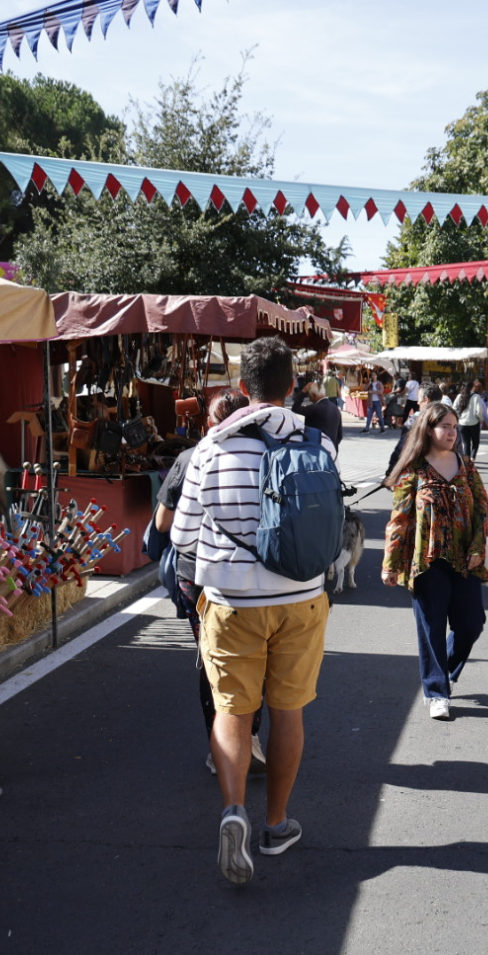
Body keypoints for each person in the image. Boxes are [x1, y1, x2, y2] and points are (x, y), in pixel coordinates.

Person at [171, 337, 335, 885]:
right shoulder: (319, 443)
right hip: (301, 598)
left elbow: (182, 536)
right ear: (292, 387)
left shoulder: (212, 449)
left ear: (243, 388)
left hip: (232, 602)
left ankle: (234, 809)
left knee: (233, 711)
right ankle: (276, 823)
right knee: (288, 711)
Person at [152, 391, 264, 778]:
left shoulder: (192, 457)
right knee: (254, 654)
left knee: (212, 659)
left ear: (211, 422)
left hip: (197, 575)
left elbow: (165, 526)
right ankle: (249, 737)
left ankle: (220, 748)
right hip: (251, 573)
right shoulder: (267, 455)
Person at [382, 402, 488, 721]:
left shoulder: (466, 465)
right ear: (429, 429)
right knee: (431, 626)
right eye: (446, 426)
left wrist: (478, 546)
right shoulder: (413, 469)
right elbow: (398, 518)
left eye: (455, 427)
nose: (452, 432)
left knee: (471, 624)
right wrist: (390, 563)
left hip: (464, 558)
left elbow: (484, 510)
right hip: (427, 561)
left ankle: (444, 669)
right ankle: (436, 691)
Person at [293, 375, 345, 452]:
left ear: (314, 395)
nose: (309, 399)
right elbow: (339, 435)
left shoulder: (314, 408)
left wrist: (303, 392)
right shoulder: (335, 409)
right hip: (332, 451)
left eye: (309, 396)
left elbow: (295, 408)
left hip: (317, 450)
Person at [454, 381, 488, 461]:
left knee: (466, 443)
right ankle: (472, 458)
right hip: (474, 422)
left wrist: (459, 417)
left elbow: (454, 408)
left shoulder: (459, 396)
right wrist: (480, 419)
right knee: (475, 443)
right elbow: (479, 410)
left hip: (462, 423)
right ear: (472, 387)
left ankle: (466, 461)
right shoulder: (476, 396)